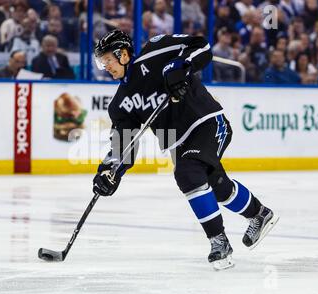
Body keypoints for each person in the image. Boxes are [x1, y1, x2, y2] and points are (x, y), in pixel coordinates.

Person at [92, 29, 279, 270]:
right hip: (180, 142)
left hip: (207, 122)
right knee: (217, 185)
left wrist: (179, 67)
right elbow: (123, 146)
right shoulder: (120, 104)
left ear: (124, 54)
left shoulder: (156, 51)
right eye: (101, 61)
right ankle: (259, 214)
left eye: (108, 59)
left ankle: (218, 241)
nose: (105, 66)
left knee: (188, 173)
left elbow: (202, 45)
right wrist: (109, 172)